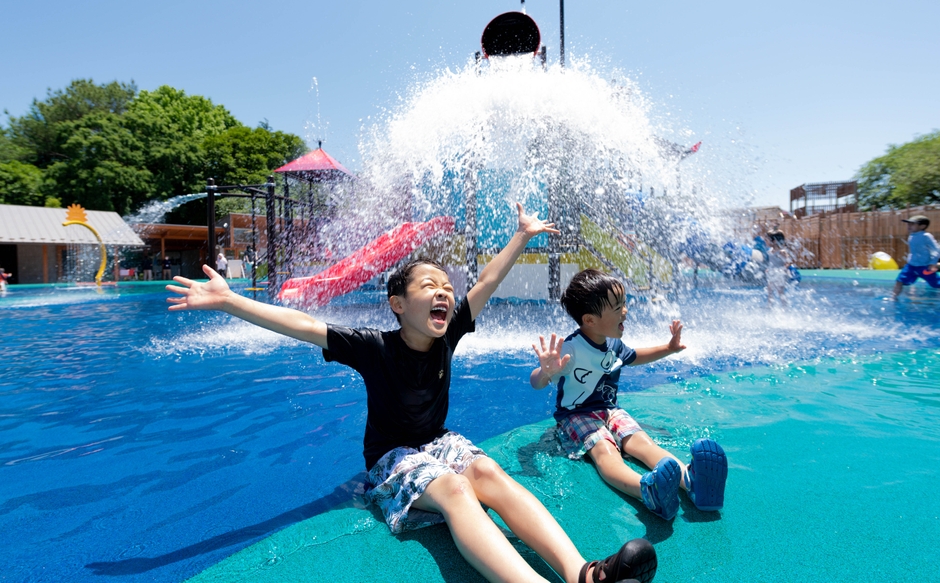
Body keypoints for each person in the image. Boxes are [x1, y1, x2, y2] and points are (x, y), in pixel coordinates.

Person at [166, 205, 657, 583]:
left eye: (446, 286)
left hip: (437, 440)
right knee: (456, 490)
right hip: (391, 457)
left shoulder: (448, 334)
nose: (444, 292)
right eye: (428, 286)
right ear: (398, 304)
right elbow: (303, 324)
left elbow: (487, 280)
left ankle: (581, 573)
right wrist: (231, 301)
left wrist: (522, 235)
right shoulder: (373, 347)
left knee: (488, 471)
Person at [531, 269, 727, 522]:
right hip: (576, 415)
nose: (625, 311)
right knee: (605, 451)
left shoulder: (613, 343)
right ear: (590, 320)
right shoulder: (571, 348)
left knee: (642, 443)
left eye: (624, 303)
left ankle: (691, 480)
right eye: (617, 307)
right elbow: (537, 382)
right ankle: (647, 490)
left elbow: (634, 356)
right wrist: (546, 372)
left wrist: (668, 348)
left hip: (610, 410)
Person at [892, 215, 940, 300]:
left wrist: (933, 262)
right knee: (899, 281)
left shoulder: (926, 236)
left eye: (912, 224)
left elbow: (936, 250)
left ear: (922, 226)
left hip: (925, 266)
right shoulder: (911, 235)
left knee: (936, 284)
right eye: (908, 224)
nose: (909, 226)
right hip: (911, 266)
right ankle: (893, 298)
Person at [764, 230, 793, 305]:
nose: (765, 241)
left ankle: (784, 306)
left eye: (766, 240)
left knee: (780, 290)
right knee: (769, 289)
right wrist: (768, 269)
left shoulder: (781, 252)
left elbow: (789, 262)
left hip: (781, 274)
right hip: (773, 272)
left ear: (774, 241)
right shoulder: (770, 251)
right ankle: (769, 305)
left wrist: (784, 268)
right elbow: (772, 263)